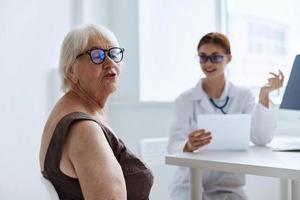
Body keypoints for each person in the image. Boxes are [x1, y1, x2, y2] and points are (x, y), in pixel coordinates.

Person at [39, 24, 153, 200]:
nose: (110, 62)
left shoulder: (79, 110)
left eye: (113, 53)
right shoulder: (84, 130)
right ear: (71, 71)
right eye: (97, 55)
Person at [167, 32, 284, 200]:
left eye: (216, 57)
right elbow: (173, 146)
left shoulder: (243, 96)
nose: (208, 63)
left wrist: (264, 96)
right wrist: (188, 145)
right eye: (203, 57)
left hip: (229, 188)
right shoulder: (185, 100)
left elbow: (261, 139)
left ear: (228, 58)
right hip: (190, 185)